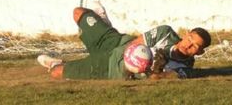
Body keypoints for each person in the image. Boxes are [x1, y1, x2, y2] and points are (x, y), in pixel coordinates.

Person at [37, 7, 211, 80]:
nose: (188, 45)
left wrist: (155, 70)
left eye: (195, 46)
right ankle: (104, 26)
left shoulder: (185, 67)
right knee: (79, 12)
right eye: (190, 39)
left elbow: (164, 78)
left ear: (200, 52)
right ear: (186, 34)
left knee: (56, 72)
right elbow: (135, 43)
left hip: (113, 67)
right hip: (116, 43)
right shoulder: (165, 33)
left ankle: (59, 63)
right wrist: (139, 55)